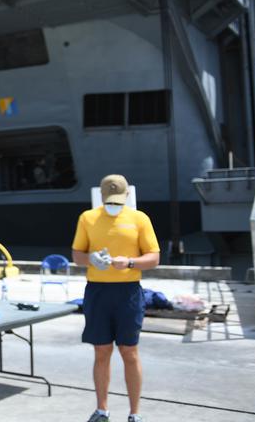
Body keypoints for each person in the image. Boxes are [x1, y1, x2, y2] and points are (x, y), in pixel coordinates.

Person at [71, 174, 161, 422]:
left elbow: (153, 257)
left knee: (129, 351)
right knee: (101, 351)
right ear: (101, 196)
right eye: (110, 200)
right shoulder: (88, 218)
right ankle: (102, 410)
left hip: (128, 292)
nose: (114, 204)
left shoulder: (139, 219)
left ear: (127, 196)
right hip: (97, 291)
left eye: (118, 200)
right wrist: (91, 259)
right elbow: (77, 254)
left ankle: (135, 414)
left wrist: (130, 261)